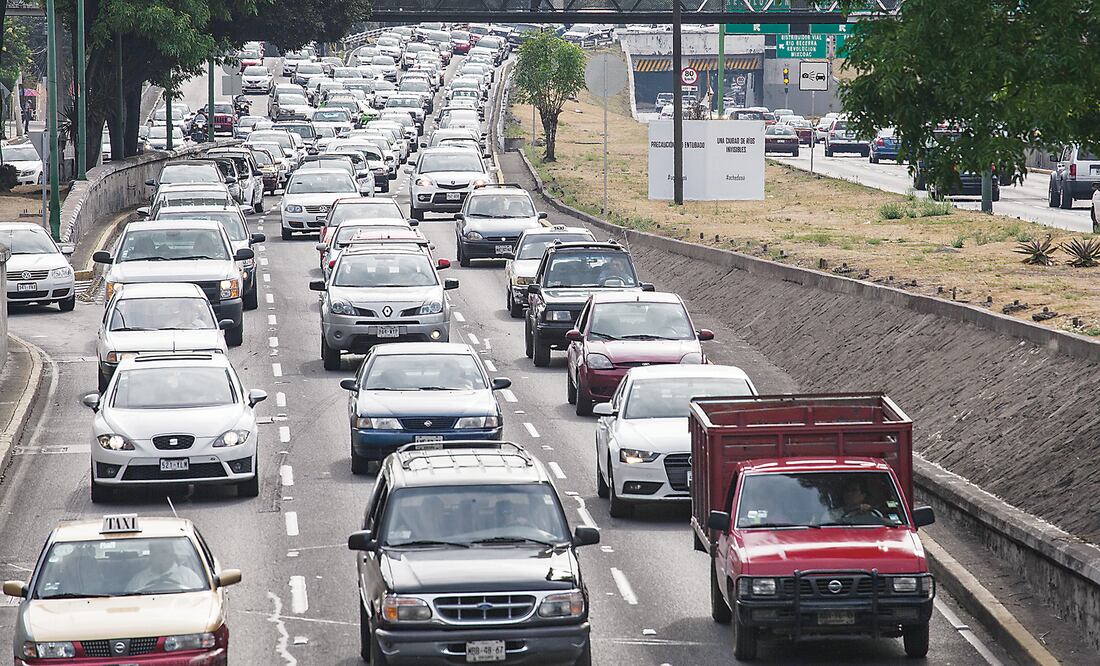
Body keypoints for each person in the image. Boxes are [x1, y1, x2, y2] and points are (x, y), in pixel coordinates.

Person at [126, 540, 206, 594]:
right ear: (151, 556)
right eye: (156, 552)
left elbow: (201, 600)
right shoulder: (138, 580)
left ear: (172, 554)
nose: (161, 556)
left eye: (164, 552)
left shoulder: (189, 576)